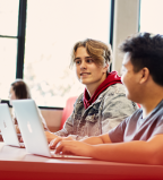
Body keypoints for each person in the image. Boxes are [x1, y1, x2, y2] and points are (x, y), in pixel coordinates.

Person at [50, 32, 163, 165]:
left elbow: (154, 153)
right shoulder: (136, 117)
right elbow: (104, 140)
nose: (121, 77)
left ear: (143, 75)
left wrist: (89, 150)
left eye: (125, 71)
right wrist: (71, 143)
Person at [45, 38, 138, 141]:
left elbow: (112, 142)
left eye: (89, 61)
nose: (82, 66)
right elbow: (66, 133)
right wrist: (46, 137)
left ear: (105, 65)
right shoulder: (82, 99)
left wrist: (60, 140)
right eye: (78, 61)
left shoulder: (117, 95)